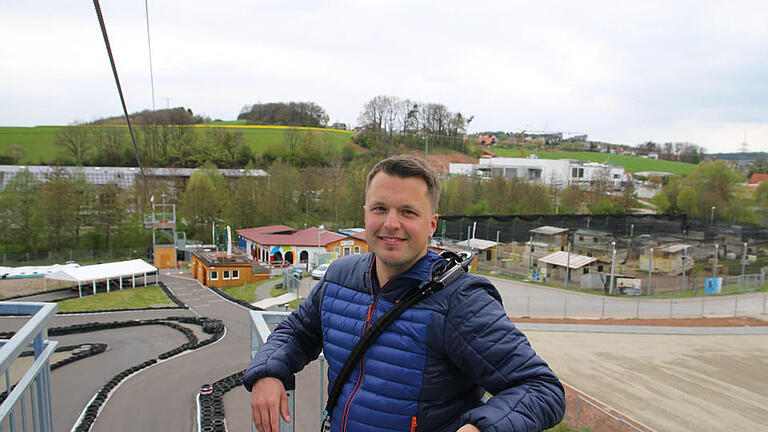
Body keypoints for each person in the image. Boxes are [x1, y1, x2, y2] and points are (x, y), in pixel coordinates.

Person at [244, 155, 565, 432]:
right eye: (380, 208)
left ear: (432, 224)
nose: (391, 223)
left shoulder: (460, 300)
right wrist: (269, 373)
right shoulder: (341, 277)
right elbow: (297, 331)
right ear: (365, 214)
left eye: (408, 212)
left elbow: (541, 389)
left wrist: (481, 426)